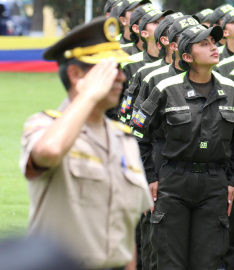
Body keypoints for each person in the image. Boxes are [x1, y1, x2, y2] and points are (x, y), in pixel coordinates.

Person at [19, 17, 152, 270]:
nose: (120, 77)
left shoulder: (124, 139)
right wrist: (88, 95)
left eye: (120, 68)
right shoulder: (44, 126)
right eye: (107, 69)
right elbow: (48, 151)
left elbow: (124, 232)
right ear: (76, 74)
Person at [130, 24, 234, 270]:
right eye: (204, 44)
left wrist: (230, 180)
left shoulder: (231, 90)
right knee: (168, 259)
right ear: (187, 57)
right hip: (173, 181)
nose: (214, 47)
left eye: (214, 43)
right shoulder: (166, 89)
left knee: (207, 260)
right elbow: (137, 134)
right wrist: (150, 176)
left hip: (214, 183)